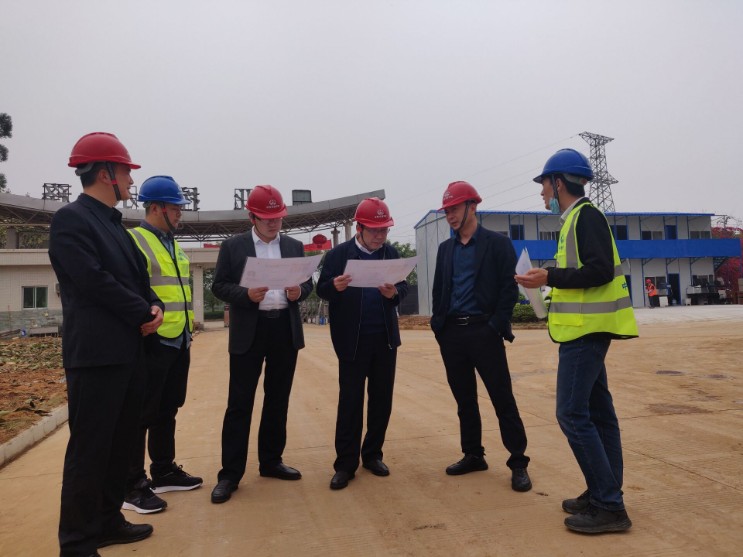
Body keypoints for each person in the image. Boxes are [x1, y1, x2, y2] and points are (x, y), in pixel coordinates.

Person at [49, 132, 163, 556]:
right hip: (96, 357)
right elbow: (92, 280)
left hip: (128, 353)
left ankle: (108, 520)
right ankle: (77, 541)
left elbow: (137, 279)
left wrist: (153, 307)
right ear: (104, 174)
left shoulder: (116, 226)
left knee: (121, 444)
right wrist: (141, 311)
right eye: (126, 172)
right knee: (91, 449)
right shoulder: (71, 220)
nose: (131, 180)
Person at [515, 148, 638, 534]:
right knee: (599, 415)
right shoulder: (575, 220)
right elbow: (583, 274)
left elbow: (599, 271)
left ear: (558, 182)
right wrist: (547, 283)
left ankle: (609, 505)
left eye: (543, 185)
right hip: (584, 329)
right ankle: (603, 491)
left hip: (586, 333)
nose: (541, 193)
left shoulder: (586, 217)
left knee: (571, 414)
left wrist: (549, 277)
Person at [210, 185, 313, 504]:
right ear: (252, 217)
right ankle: (230, 474)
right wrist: (245, 295)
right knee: (239, 403)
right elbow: (219, 285)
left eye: (278, 217)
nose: (273, 223)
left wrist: (300, 292)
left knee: (277, 399)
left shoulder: (294, 246)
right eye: (267, 218)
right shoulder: (233, 247)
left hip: (283, 328)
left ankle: (271, 461)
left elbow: (308, 282)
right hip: (249, 332)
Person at [430, 181, 532, 493]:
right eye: (446, 211)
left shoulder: (497, 244)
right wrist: (439, 327)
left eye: (454, 209)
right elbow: (439, 291)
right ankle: (473, 454)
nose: (450, 215)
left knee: (502, 398)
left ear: (472, 206)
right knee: (465, 400)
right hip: (453, 334)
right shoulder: (445, 250)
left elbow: (508, 289)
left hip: (484, 332)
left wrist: (494, 326)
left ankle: (518, 462)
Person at [123, 176, 203, 515]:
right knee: (141, 413)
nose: (180, 213)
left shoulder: (173, 243)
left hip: (179, 338)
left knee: (167, 408)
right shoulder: (134, 240)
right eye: (175, 208)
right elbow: (129, 287)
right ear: (156, 208)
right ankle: (131, 484)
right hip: (152, 339)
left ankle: (164, 470)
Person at [317, 198, 408, 490]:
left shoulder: (390, 253)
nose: (380, 236)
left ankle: (372, 455)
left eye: (384, 230)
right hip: (352, 341)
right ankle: (345, 464)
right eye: (375, 230)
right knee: (350, 403)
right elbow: (321, 288)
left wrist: (394, 293)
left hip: (384, 339)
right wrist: (335, 287)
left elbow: (403, 286)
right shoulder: (338, 255)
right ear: (359, 228)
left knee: (381, 400)